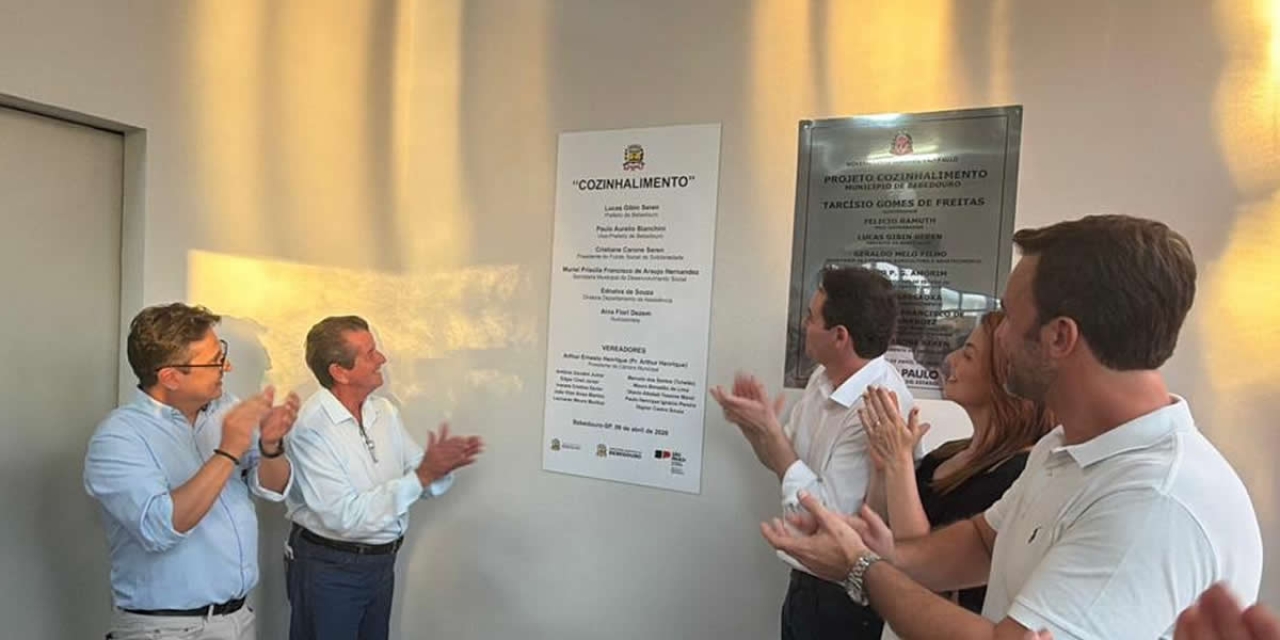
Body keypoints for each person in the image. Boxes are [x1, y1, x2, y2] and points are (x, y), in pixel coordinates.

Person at [761, 215, 1263, 639]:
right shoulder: (1063, 446)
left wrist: (860, 568)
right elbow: (983, 542)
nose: (996, 334)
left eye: (1007, 315)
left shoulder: (1152, 502)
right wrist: (885, 551)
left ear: (1059, 337)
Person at [712, 265, 914, 639]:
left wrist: (771, 433)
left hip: (846, 602)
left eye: (810, 317)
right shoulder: (823, 377)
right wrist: (755, 428)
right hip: (806, 585)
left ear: (840, 336)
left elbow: (829, 523)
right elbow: (783, 463)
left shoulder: (879, 406)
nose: (803, 325)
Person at [84, 303, 300, 640]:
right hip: (167, 630)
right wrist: (228, 450)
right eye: (215, 361)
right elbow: (160, 528)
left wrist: (271, 445)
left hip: (238, 619)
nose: (226, 366)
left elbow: (273, 488)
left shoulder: (225, 408)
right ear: (170, 377)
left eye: (221, 353)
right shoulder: (118, 437)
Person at [284, 315, 484, 640]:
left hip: (380, 566)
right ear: (340, 372)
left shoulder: (384, 412)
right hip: (330, 569)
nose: (382, 359)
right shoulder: (310, 429)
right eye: (370, 353)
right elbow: (345, 517)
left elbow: (419, 473)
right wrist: (421, 476)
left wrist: (439, 469)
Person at [862, 309, 1054, 635]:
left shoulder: (1016, 472)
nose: (951, 360)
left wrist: (900, 464)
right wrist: (884, 469)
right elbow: (880, 529)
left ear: (1002, 376)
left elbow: (926, 569)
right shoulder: (947, 452)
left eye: (968, 355)